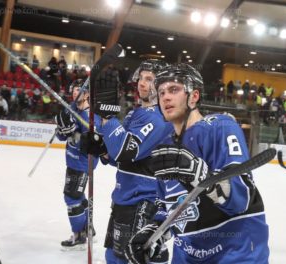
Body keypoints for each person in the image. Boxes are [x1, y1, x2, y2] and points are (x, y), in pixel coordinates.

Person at [125, 63, 269, 263]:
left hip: (236, 253)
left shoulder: (220, 126)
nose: (165, 96)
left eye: (174, 90)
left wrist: (198, 174)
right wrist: (153, 233)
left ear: (194, 96)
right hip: (187, 254)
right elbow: (166, 205)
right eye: (161, 92)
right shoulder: (163, 147)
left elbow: (240, 198)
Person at [81, 59, 172, 264]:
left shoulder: (158, 118)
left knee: (127, 259)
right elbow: (119, 156)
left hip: (143, 202)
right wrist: (102, 149)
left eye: (149, 79)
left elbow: (125, 152)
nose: (142, 83)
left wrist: (107, 116)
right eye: (141, 77)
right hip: (126, 198)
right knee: (113, 256)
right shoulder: (136, 112)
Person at [55, 80, 101, 250]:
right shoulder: (72, 110)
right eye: (73, 90)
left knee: (72, 197)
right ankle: (89, 229)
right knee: (79, 197)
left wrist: (73, 133)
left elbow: (93, 144)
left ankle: (79, 236)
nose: (75, 93)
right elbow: (61, 136)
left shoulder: (92, 117)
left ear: (88, 94)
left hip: (83, 164)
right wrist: (61, 128)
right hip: (72, 161)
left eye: (79, 90)